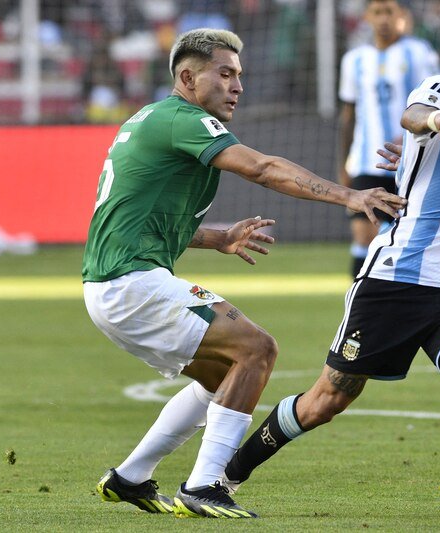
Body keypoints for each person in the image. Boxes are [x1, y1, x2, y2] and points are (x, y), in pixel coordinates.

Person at [83, 28, 405, 519]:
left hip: (116, 283)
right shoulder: (183, 120)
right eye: (225, 73)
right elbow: (261, 167)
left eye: (240, 76)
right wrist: (350, 195)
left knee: (221, 375)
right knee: (257, 349)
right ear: (188, 77)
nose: (237, 86)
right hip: (132, 283)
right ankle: (204, 485)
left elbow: (139, 217)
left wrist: (218, 238)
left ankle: (130, 477)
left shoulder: (151, 119)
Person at [224, 17, 440, 511]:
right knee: (328, 400)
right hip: (395, 281)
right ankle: (227, 475)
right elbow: (413, 114)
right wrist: (433, 126)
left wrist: (410, 160)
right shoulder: (439, 92)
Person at [339, 0, 440, 277]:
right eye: (377, 12)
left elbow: (438, 101)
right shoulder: (354, 60)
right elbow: (348, 115)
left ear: (402, 16)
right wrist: (343, 165)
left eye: (389, 12)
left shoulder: (419, 53)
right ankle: (361, 299)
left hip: (411, 160)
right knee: (363, 234)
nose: (383, 19)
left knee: (411, 238)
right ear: (367, 17)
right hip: (366, 160)